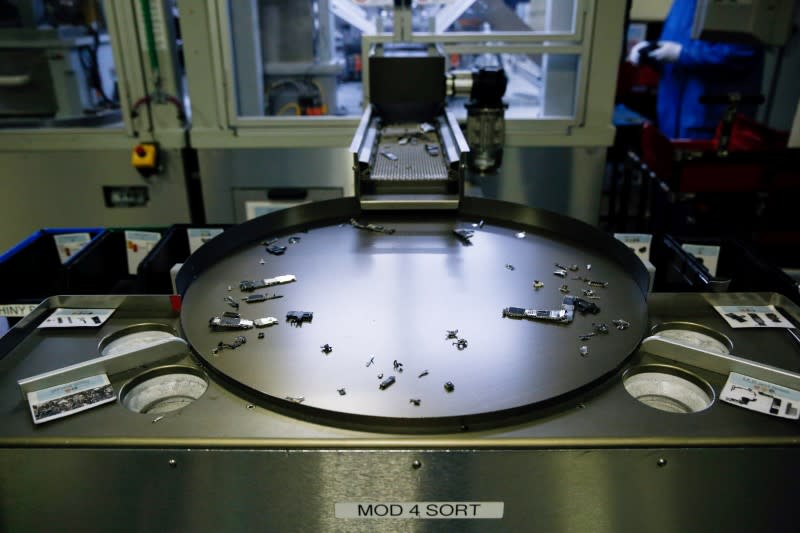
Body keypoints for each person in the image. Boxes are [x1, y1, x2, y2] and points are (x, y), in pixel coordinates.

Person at [628, 0, 763, 139]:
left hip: (708, 121)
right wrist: (650, 52)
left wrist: (682, 54)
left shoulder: (740, 4)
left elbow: (741, 53)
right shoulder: (683, 3)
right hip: (670, 117)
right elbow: (672, 49)